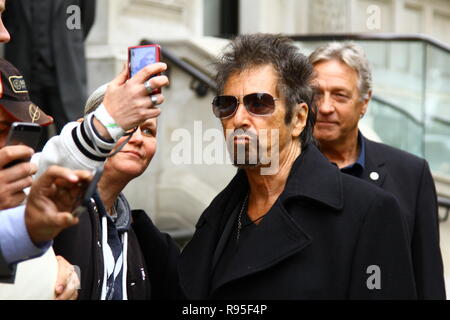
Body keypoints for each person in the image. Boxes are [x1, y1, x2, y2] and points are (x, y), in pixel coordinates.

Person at [178, 33, 416, 299]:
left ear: (300, 118)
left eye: (259, 103)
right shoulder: (219, 217)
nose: (239, 118)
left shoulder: (368, 212)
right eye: (227, 105)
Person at [309, 42, 445, 299]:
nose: (325, 107)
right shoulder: (281, 172)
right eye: (316, 94)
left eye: (339, 95)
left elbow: (428, 280)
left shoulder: (411, 174)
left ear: (364, 102)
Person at [42, 83, 180, 300]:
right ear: (83, 129)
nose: (137, 139)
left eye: (148, 130)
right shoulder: (52, 203)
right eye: (126, 126)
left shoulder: (146, 240)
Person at [4, 0, 97, 148]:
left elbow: (86, 18)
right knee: (28, 138)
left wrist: (69, 40)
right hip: (24, 70)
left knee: (73, 135)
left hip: (66, 70)